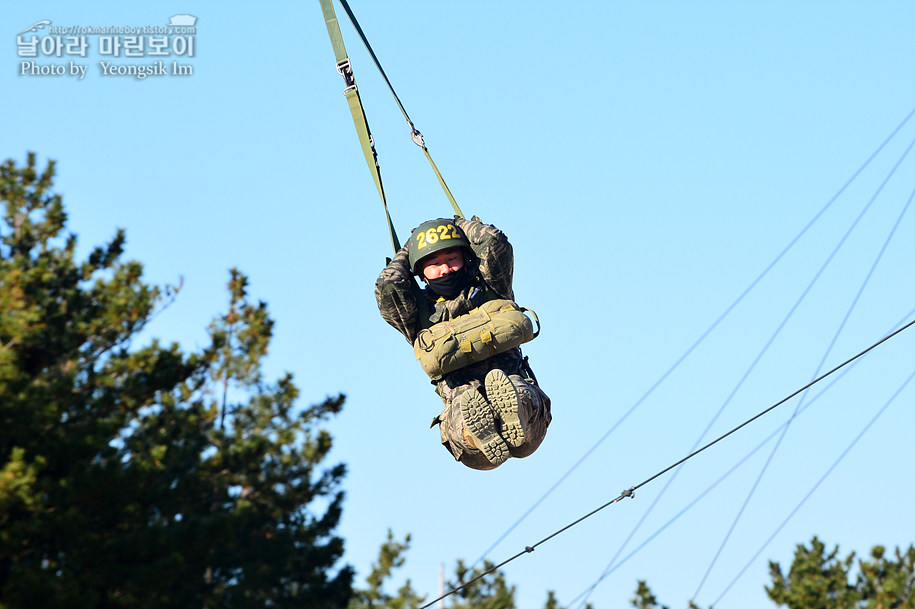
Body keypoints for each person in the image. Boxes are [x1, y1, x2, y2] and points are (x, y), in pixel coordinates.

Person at [375, 216, 551, 470]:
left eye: (451, 259)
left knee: (516, 391)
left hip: (526, 416)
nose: (444, 269)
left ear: (466, 259)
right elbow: (389, 284)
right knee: (463, 410)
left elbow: (493, 242)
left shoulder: (492, 288)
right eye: (434, 263)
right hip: (465, 417)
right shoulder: (418, 316)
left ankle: (514, 416)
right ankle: (480, 433)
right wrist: (412, 245)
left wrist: (457, 224)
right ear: (420, 273)